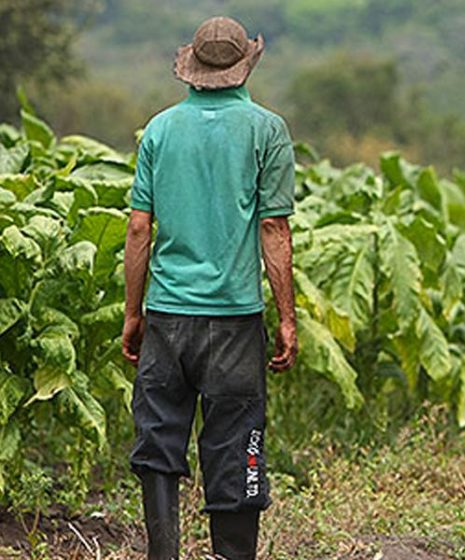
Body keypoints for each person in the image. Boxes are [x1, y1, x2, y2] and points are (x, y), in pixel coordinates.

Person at [121, 16, 298, 560]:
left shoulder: (160, 129)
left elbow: (138, 227)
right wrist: (287, 318)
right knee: (235, 439)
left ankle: (164, 554)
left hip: (168, 318)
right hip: (234, 320)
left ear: (191, 70)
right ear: (246, 65)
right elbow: (273, 228)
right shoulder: (267, 130)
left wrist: (134, 313)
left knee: (158, 439)